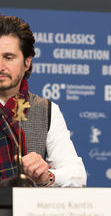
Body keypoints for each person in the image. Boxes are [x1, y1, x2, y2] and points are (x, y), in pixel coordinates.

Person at [0, 15, 86, 187]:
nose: (0, 66)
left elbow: (78, 176)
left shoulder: (46, 110)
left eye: (9, 57)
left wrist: (48, 176)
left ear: (27, 62)